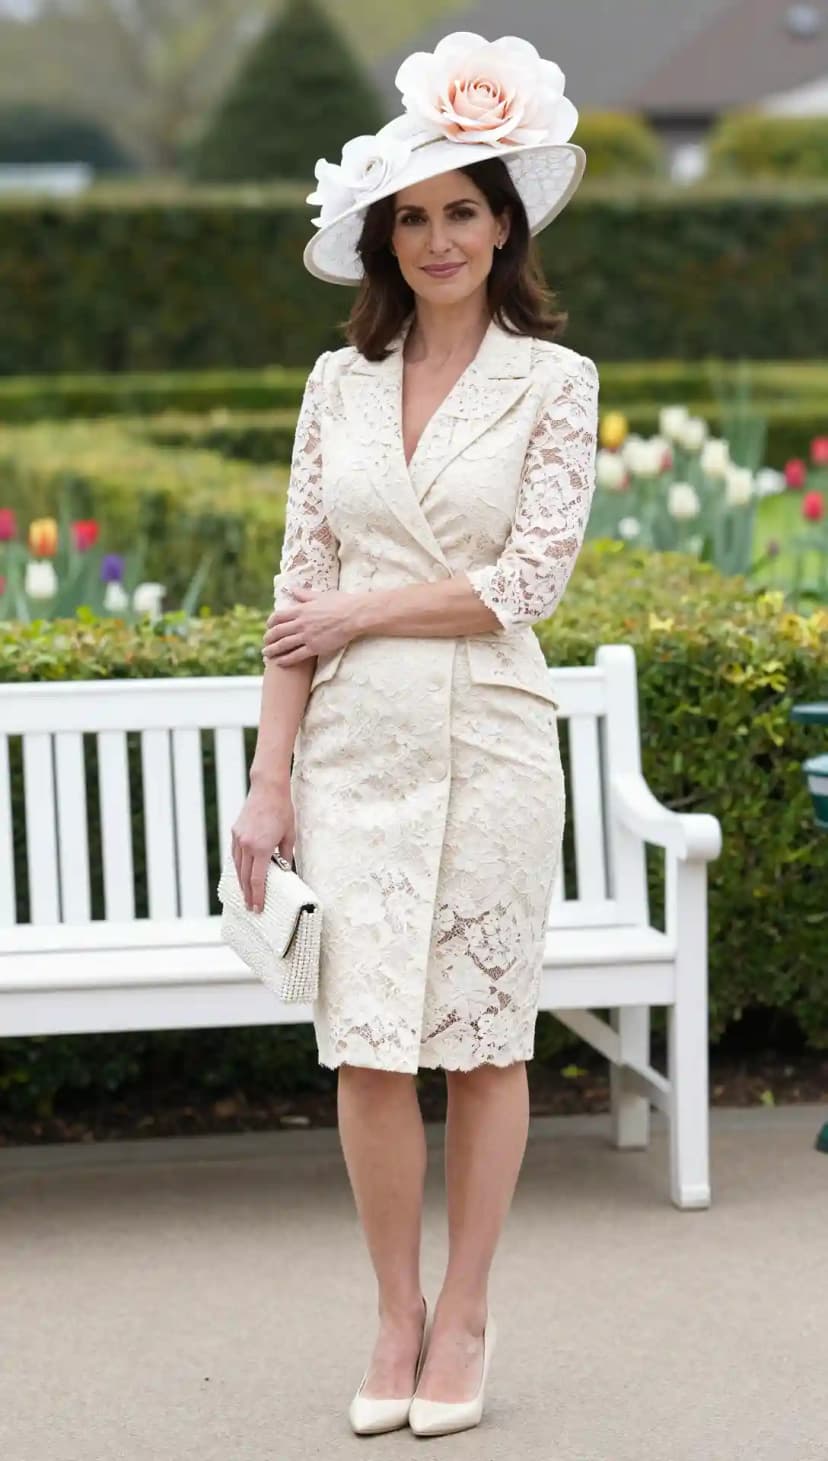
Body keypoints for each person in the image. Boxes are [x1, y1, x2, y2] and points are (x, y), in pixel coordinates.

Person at [231, 31, 599, 1439]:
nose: (440, 236)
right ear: (387, 240)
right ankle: (395, 1309)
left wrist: (355, 613)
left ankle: (471, 1312)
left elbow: (525, 586)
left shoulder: (554, 385)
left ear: (504, 224)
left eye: (462, 208)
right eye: (414, 215)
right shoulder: (336, 390)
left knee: (483, 1045)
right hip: (356, 760)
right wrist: (269, 780)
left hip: (494, 746)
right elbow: (288, 602)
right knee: (369, 1047)